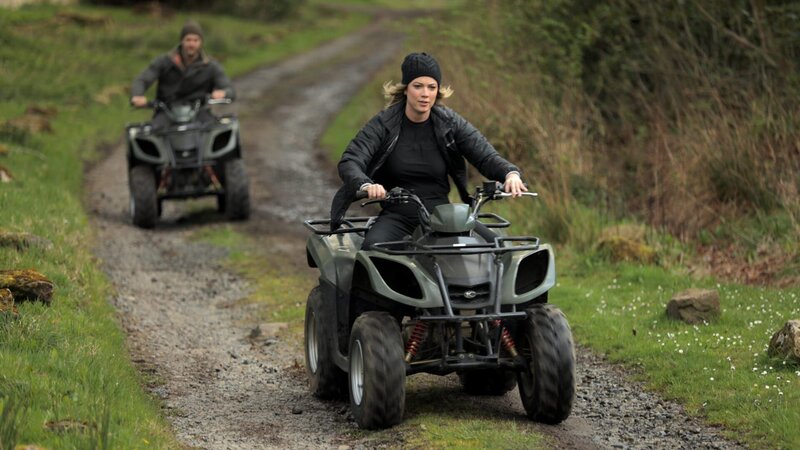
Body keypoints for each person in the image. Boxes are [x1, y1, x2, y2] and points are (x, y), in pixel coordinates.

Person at [330, 52, 527, 248]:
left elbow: (485, 156)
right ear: (406, 89)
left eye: (431, 87)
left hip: (444, 216)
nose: (425, 93)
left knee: (498, 248)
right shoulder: (384, 124)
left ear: (437, 91)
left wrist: (510, 174)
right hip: (398, 216)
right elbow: (351, 161)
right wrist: (366, 185)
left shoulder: (450, 122)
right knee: (372, 250)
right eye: (418, 86)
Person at [130, 20, 235, 130]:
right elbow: (142, 79)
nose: (192, 44)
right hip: (166, 111)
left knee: (215, 131)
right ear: (182, 41)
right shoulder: (164, 61)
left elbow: (230, 90)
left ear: (201, 42)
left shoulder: (210, 66)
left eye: (195, 40)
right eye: (188, 40)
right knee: (153, 133)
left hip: (199, 111)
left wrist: (224, 93)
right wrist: (137, 95)